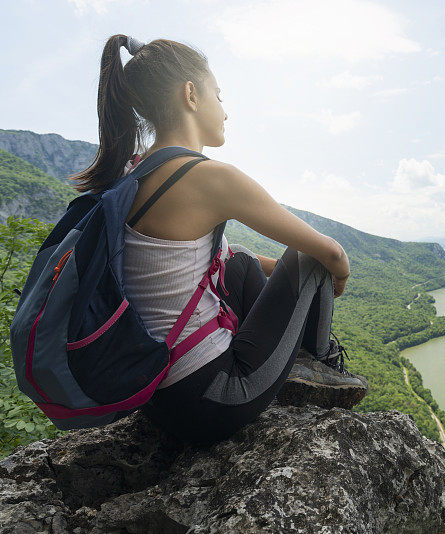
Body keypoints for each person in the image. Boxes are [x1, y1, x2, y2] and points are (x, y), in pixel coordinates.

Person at [68, 34, 368, 445]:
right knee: (311, 258)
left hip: (160, 395)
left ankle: (293, 355)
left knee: (240, 258)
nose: (225, 111)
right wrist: (336, 273)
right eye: (219, 95)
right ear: (191, 94)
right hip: (216, 398)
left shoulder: (135, 175)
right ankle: (321, 367)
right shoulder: (209, 177)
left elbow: (223, 259)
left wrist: (291, 284)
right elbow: (330, 252)